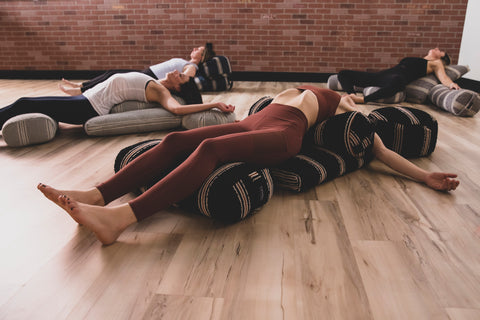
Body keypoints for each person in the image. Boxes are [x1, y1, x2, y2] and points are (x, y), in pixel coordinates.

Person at [38, 86, 459, 245]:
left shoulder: (350, 106)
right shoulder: (311, 87)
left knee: (209, 153)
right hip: (254, 120)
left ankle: (119, 220)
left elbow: (378, 149)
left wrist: (425, 176)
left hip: (283, 134)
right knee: (176, 138)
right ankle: (98, 194)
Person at [0, 70, 234, 129]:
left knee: (24, 103)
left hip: (88, 109)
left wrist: (214, 103)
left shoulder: (161, 92)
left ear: (178, 86)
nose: (176, 72)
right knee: (24, 104)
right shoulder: (154, 81)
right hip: (83, 99)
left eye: (180, 76)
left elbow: (176, 110)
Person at [59, 43, 216, 96]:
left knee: (113, 74)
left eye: (198, 49)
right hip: (147, 72)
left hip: (149, 77)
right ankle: (81, 85)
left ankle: (81, 91)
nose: (194, 48)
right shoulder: (188, 62)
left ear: (201, 57)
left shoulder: (192, 66)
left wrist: (163, 83)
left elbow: (186, 79)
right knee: (111, 72)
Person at [337, 48, 461, 104]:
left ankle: (363, 100)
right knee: (343, 73)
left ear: (441, 57)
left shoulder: (436, 63)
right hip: (383, 75)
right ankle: (350, 95)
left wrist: (451, 84)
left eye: (440, 51)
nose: (436, 48)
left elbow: (443, 76)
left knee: (398, 81)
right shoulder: (421, 59)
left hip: (397, 79)